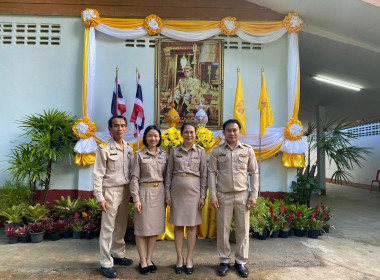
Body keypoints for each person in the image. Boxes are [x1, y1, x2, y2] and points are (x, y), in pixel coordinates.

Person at [208, 119, 259, 278]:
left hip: (243, 196)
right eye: (228, 130)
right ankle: (224, 260)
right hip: (223, 196)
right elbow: (211, 173)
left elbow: (254, 173)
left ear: (240, 132)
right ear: (223, 133)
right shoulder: (217, 151)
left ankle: (241, 261)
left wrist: (254, 194)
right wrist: (213, 195)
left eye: (235, 130)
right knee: (222, 230)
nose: (232, 133)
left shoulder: (248, 150)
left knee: (243, 230)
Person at [93, 115, 134, 279]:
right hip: (110, 191)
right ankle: (106, 262)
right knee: (108, 228)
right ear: (110, 129)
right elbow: (97, 175)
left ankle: (117, 254)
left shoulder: (129, 149)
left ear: (126, 128)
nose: (120, 128)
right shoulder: (104, 149)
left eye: (123, 125)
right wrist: (99, 197)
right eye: (116, 126)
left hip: (125, 191)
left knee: (121, 225)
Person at [165, 123, 207, 275]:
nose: (189, 135)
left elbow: (204, 175)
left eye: (192, 132)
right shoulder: (174, 151)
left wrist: (203, 195)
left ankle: (189, 258)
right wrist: (167, 194)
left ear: (195, 134)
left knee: (191, 226)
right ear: (181, 134)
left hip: (194, 193)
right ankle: (179, 258)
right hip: (177, 192)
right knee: (178, 225)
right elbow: (168, 173)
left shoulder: (201, 152)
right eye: (186, 132)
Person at [130, 125, 167, 275]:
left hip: (160, 193)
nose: (153, 138)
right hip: (144, 192)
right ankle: (142, 260)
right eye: (150, 135)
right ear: (145, 138)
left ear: (159, 138)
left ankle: (150, 259)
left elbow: (168, 177)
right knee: (142, 229)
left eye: (156, 136)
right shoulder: (139, 155)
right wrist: (136, 199)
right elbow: (134, 178)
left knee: (154, 229)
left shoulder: (164, 155)